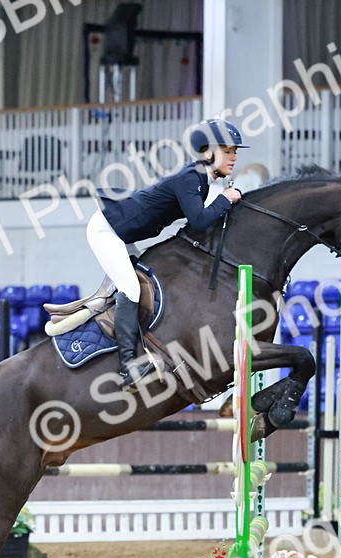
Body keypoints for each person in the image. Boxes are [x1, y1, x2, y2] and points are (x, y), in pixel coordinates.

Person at [87, 118, 247, 391]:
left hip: (123, 233)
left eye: (234, 151)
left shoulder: (201, 180)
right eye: (227, 150)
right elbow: (198, 220)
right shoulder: (191, 177)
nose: (233, 157)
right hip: (107, 230)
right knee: (131, 288)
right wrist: (226, 198)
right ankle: (128, 367)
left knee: (144, 283)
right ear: (208, 152)